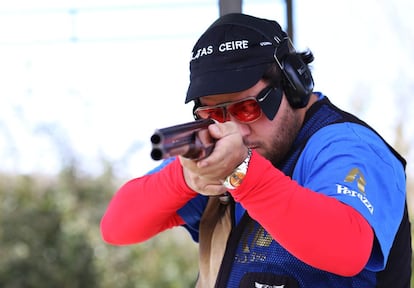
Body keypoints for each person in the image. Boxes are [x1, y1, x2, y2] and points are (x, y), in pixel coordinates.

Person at [100, 13, 411, 287]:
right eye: (215, 115)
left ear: (292, 86)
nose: (234, 129)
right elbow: (117, 227)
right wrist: (184, 180)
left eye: (248, 108)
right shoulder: (217, 153)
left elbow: (347, 247)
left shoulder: (347, 145)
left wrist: (242, 173)